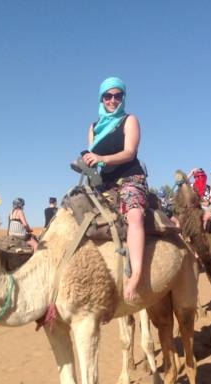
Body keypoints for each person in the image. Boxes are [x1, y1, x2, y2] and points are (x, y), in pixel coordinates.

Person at [81, 76, 148, 301]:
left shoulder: (130, 120)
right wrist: (87, 162)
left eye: (117, 96)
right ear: (101, 98)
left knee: (135, 215)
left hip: (130, 178)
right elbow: (91, 156)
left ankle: (136, 274)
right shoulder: (93, 127)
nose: (112, 100)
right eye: (108, 96)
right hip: (104, 183)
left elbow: (130, 152)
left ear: (123, 98)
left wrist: (101, 157)